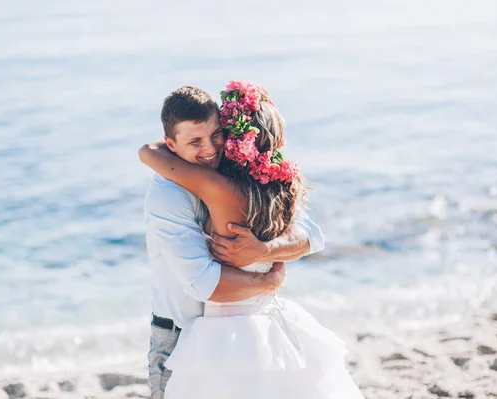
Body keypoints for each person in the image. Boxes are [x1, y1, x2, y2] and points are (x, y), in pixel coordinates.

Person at [139, 81, 364, 398]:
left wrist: (266, 249)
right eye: (195, 141)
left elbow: (312, 235)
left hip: (240, 330)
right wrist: (268, 284)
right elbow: (203, 284)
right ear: (171, 145)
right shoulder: (169, 194)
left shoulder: (236, 177)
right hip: (181, 331)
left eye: (216, 135)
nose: (210, 148)